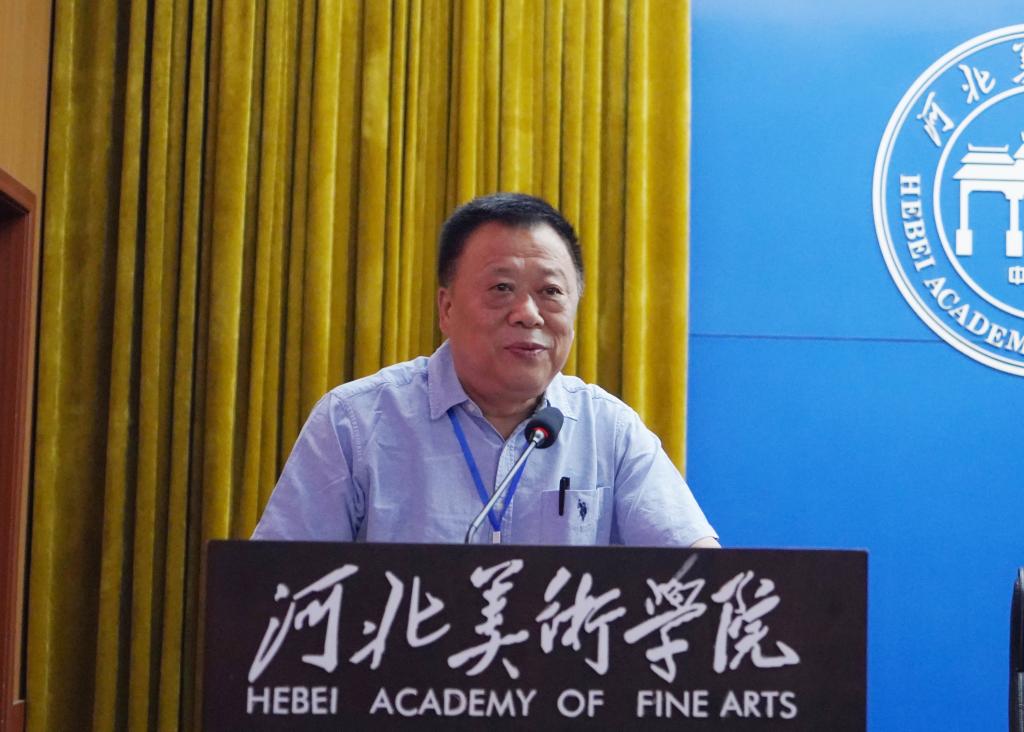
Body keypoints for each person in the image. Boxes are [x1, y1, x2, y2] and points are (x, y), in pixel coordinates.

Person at [253, 193, 718, 547]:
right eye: (501, 288)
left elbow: (700, 576)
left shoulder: (608, 431)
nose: (528, 314)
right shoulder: (353, 423)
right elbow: (279, 588)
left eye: (551, 292)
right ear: (447, 308)